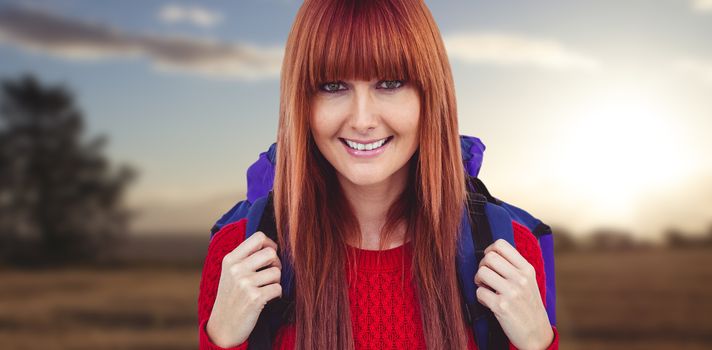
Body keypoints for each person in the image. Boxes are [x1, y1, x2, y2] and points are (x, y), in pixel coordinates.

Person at [198, 0, 559, 349]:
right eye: (333, 86)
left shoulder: (512, 253)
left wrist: (537, 343)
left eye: (389, 83)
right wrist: (222, 341)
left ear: (429, 96)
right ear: (302, 102)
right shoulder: (237, 256)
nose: (362, 120)